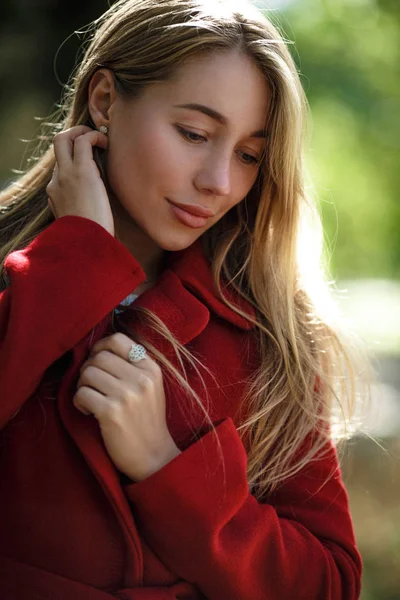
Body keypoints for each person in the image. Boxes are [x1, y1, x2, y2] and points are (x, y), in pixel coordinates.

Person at [0, 0, 369, 598]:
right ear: (105, 101)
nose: (219, 182)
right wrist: (76, 260)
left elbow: (329, 583)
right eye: (194, 134)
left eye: (250, 155)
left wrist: (166, 465)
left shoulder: (269, 333)